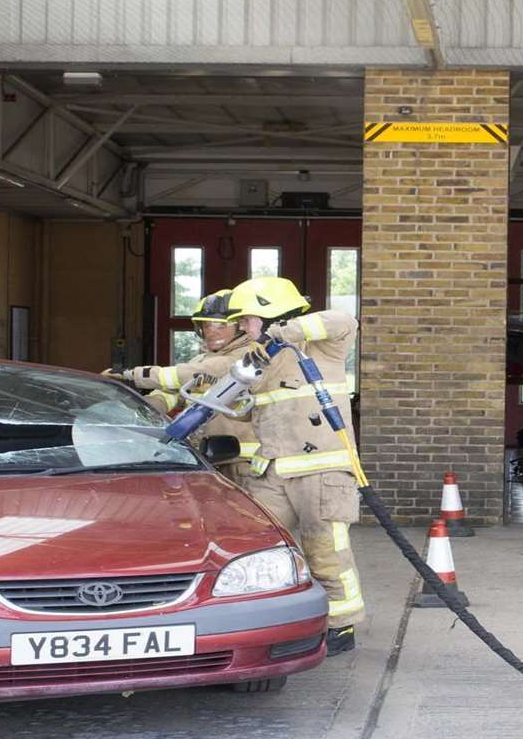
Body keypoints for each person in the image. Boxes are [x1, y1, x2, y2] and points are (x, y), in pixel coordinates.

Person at [227, 276, 366, 655]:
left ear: (270, 313)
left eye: (247, 318)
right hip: (271, 473)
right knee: (258, 549)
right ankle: (268, 621)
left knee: (326, 552)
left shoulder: (320, 347)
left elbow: (345, 321)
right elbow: (248, 412)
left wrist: (285, 332)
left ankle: (341, 626)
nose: (241, 327)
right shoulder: (260, 359)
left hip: (321, 472)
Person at [113, 289, 258, 477]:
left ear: (241, 327)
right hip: (204, 460)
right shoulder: (200, 360)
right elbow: (174, 392)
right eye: (205, 325)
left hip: (241, 464)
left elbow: (186, 375)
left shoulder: (248, 356)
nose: (211, 331)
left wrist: (131, 374)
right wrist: (142, 410)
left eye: (220, 325)